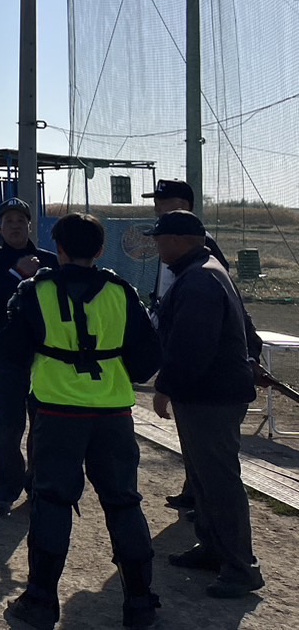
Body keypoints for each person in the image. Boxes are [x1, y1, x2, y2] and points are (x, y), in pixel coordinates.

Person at [0, 213, 163, 629]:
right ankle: (140, 602)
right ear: (101, 249)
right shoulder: (121, 291)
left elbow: (12, 354)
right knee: (124, 502)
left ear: (58, 249)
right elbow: (147, 360)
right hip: (113, 413)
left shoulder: (35, 291)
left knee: (52, 502)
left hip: (58, 412)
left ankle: (40, 601)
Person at [150, 210, 265, 599]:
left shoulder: (198, 279)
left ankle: (241, 567)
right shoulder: (206, 270)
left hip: (210, 396)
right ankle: (214, 548)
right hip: (211, 393)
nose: (157, 245)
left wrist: (165, 387)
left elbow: (192, 346)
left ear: (179, 240)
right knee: (203, 479)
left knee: (219, 482)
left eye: (160, 238)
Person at [0, 197, 56, 514]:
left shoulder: (49, 260)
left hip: (46, 357)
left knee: (44, 425)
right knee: (7, 426)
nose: (15, 226)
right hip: (7, 356)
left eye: (20, 220)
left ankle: (38, 485)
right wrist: (17, 273)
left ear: (29, 225)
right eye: (8, 221)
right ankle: (4, 489)